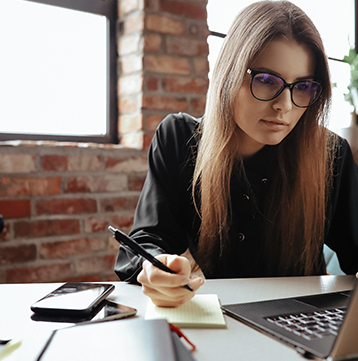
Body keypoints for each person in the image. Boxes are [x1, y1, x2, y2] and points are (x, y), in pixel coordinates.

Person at [114, 0, 358, 307]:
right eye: (267, 81)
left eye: (303, 86)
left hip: (306, 330)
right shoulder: (180, 140)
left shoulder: (330, 155)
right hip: (219, 324)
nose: (285, 105)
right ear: (229, 75)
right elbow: (145, 242)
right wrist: (154, 267)